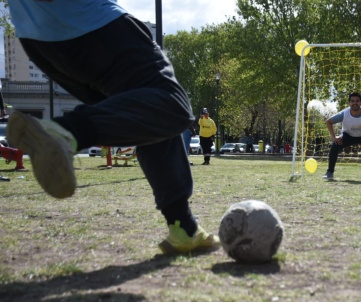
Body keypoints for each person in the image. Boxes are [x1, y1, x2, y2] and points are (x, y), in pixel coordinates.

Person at [4, 1, 219, 255]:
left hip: (40, 43)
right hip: (90, 20)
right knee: (171, 104)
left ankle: (183, 227)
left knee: (145, 109)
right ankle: (65, 132)